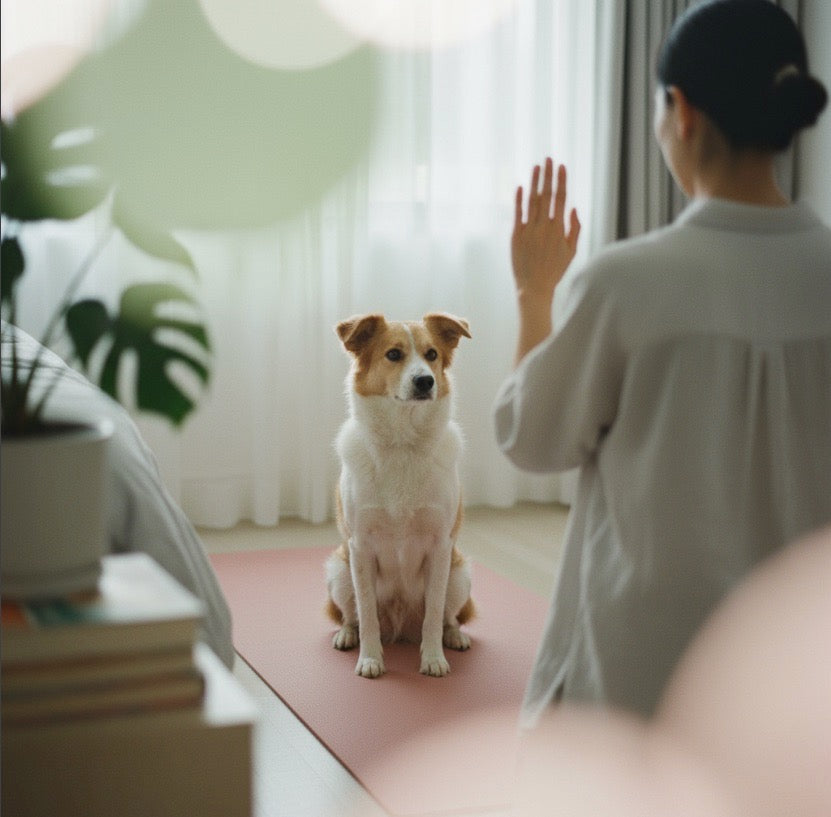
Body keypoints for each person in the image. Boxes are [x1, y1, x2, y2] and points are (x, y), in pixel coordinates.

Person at [493, 0, 831, 723]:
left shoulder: (627, 283)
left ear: (679, 111)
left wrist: (534, 293)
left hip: (639, 682)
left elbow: (531, 436)